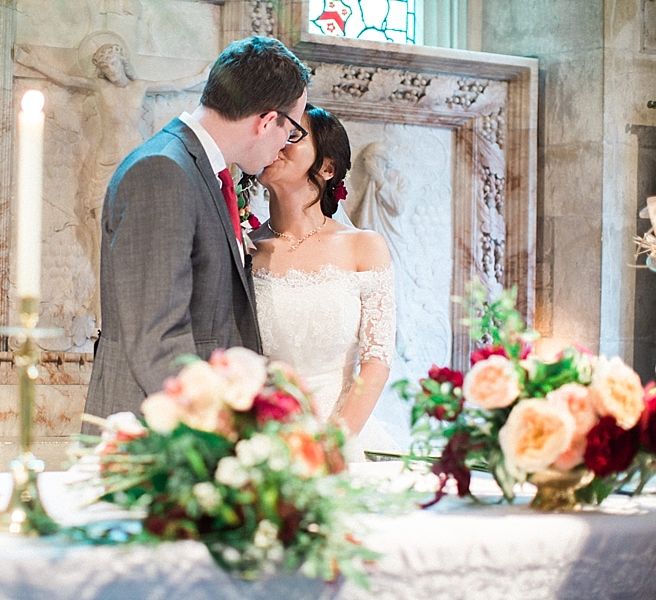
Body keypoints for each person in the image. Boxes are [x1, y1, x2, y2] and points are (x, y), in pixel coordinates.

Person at [83, 36, 310, 421]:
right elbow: (158, 340)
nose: (284, 147)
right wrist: (225, 425)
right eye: (291, 132)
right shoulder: (162, 172)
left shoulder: (198, 170)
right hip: (156, 433)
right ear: (267, 120)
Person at [15, 40, 212, 322]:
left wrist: (203, 77)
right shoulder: (100, 87)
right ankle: (100, 305)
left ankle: (137, 303)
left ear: (123, 62)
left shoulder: (139, 86)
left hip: (137, 160)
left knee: (141, 231)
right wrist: (33, 62)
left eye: (113, 64)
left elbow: (174, 84)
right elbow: (67, 79)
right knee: (100, 233)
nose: (110, 71)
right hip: (105, 162)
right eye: (104, 67)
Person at [251, 105, 397, 458]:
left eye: (293, 135)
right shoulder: (245, 249)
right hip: (261, 441)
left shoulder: (364, 246)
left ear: (327, 167)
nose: (278, 142)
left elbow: (376, 360)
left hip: (340, 439)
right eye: (273, 130)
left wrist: (330, 447)